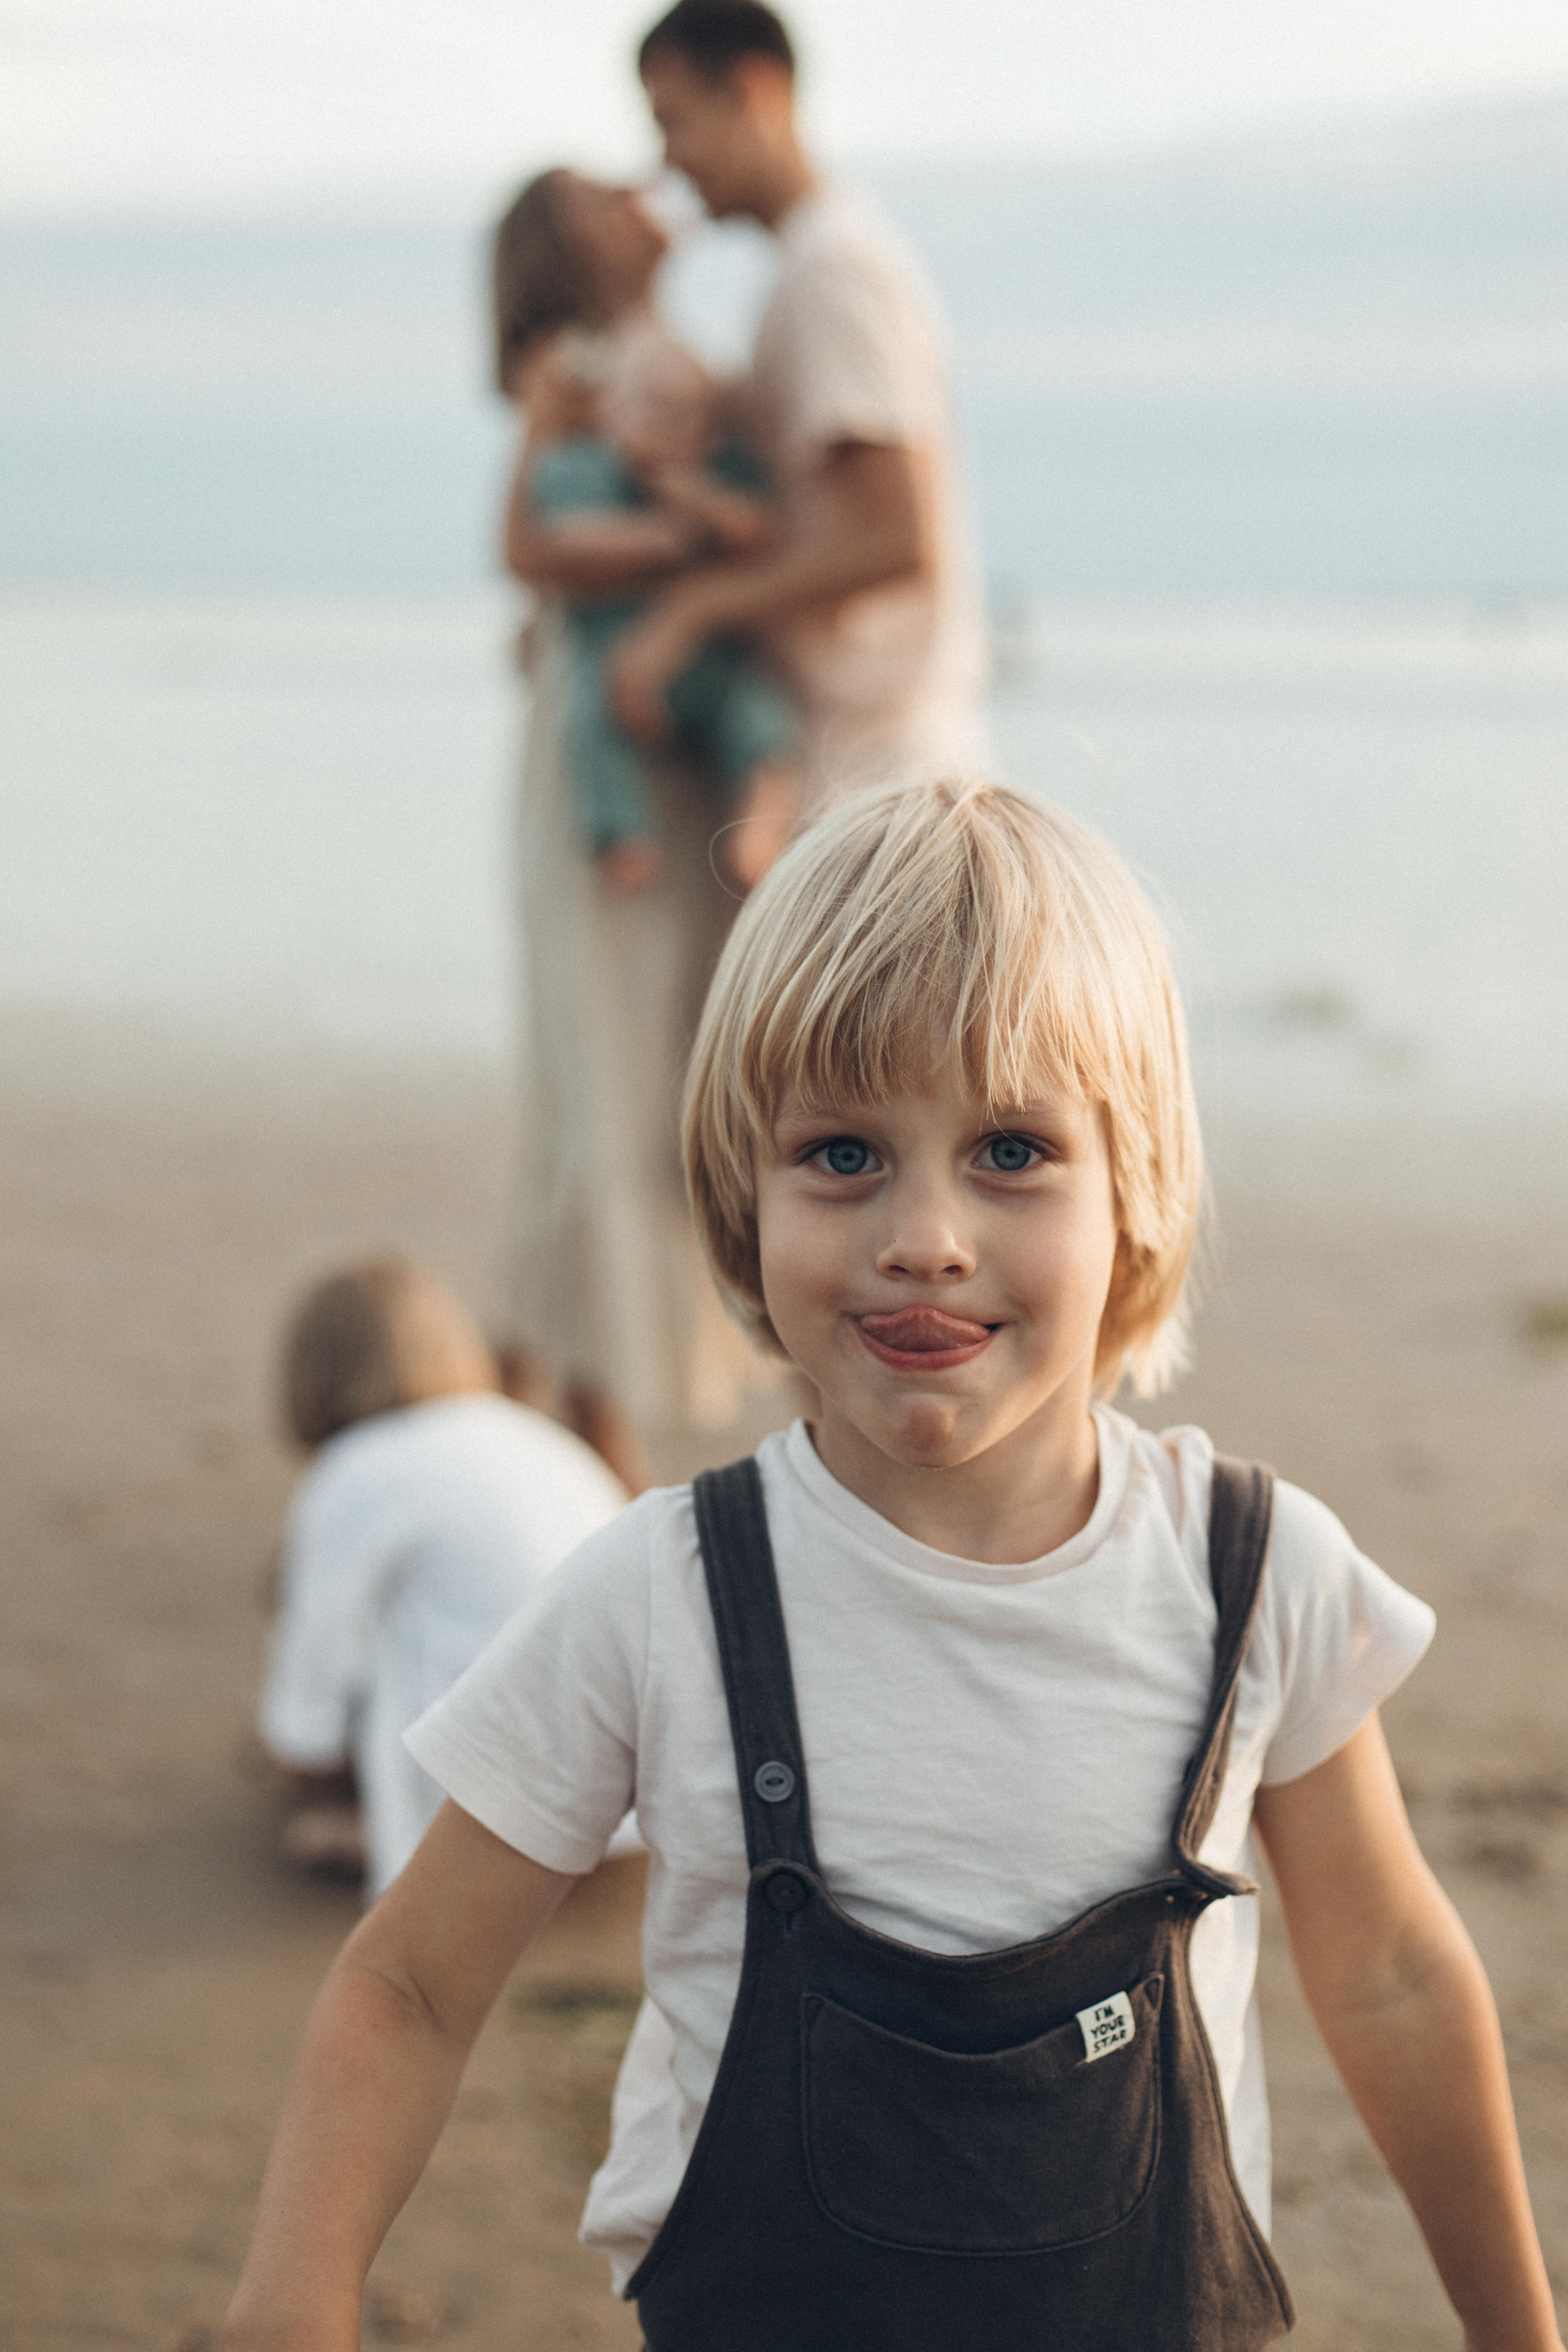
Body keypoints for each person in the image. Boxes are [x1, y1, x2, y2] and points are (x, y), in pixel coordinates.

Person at [224, 782, 1562, 2351]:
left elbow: (1392, 1971)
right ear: (741, 1201)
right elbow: (409, 1987)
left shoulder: (1251, 1575)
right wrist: (294, 2299)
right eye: (842, 1153)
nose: (923, 1233)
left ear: (1134, 1197)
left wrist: (1511, 2325)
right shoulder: (660, 1596)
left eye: (1010, 1150)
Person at [497, 167, 790, 1488]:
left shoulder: (694, 363)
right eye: (604, 191)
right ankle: (590, 1423)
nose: (643, 185)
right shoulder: (573, 366)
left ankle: (535, 1395)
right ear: (573, 241)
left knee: (636, 1065)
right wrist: (684, 551)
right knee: (600, 1073)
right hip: (602, 747)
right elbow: (531, 546)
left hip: (676, 740)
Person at [612, 0, 989, 797]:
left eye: (673, 122)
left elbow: (898, 536)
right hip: (862, 755)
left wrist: (698, 610)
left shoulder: (834, 271)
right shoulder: (815, 263)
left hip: (881, 764)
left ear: (751, 90)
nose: (669, 162)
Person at [258, 1259, 626, 1901]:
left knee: (346, 1605)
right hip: (633, 1789)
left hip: (513, 1810)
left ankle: (398, 1829)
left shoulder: (355, 1467)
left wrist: (302, 1752)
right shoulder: (529, 1434)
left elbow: (314, 1678)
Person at [524, 249, 802, 892]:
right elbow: (564, 544)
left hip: (710, 665)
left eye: (686, 415)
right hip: (614, 657)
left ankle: (761, 820)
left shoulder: (709, 479)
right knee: (590, 723)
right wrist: (667, 540)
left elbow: (758, 530)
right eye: (650, 409)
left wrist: (690, 494)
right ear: (609, 413)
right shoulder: (583, 471)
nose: (667, 428)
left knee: (759, 714)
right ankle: (622, 836)